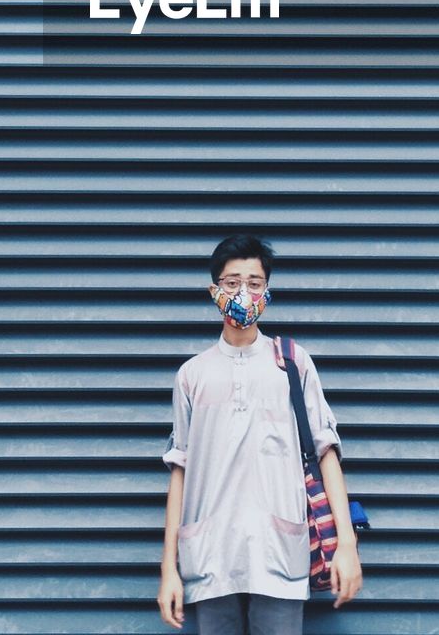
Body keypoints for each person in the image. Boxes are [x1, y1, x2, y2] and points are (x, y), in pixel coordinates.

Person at [157, 234, 363, 634]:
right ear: (213, 290)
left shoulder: (292, 362)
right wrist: (169, 570)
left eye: (254, 283)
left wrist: (347, 548)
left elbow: (326, 452)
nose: (243, 293)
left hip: (279, 555)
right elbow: (179, 470)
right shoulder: (192, 374)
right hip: (210, 559)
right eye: (232, 283)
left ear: (267, 290)